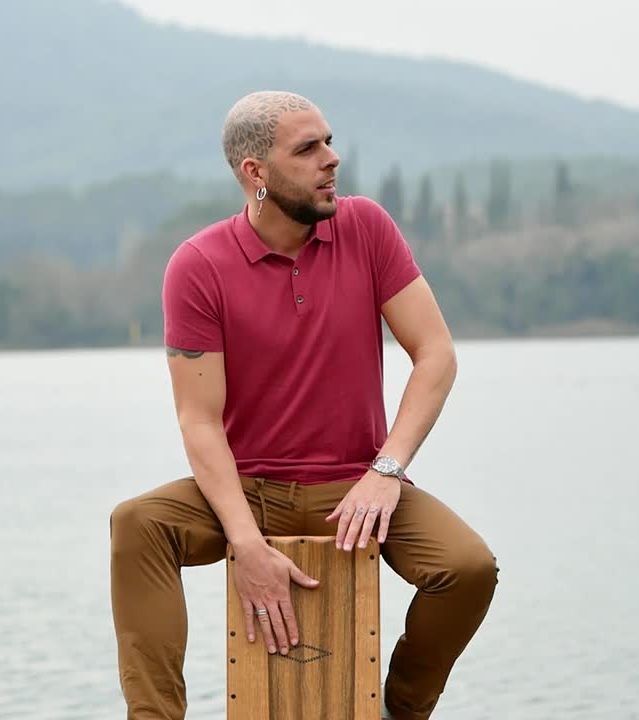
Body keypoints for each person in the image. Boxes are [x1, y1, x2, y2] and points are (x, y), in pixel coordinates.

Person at [109, 90, 498, 720]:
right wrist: (243, 543)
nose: (332, 159)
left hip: (357, 490)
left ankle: (400, 710)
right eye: (308, 148)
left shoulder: (366, 228)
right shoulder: (199, 265)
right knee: (138, 523)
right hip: (245, 493)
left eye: (329, 141)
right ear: (254, 174)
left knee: (469, 568)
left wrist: (386, 471)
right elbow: (199, 420)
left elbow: (436, 355)